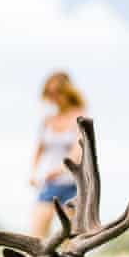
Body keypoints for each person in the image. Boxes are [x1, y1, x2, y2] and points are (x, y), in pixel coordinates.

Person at [29, 72, 86, 238]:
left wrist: (61, 168)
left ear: (67, 92)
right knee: (36, 237)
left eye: (56, 93)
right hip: (49, 183)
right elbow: (39, 150)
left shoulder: (80, 117)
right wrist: (33, 172)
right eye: (50, 94)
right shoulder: (48, 120)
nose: (54, 98)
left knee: (71, 240)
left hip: (73, 185)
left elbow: (78, 150)